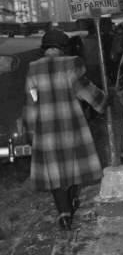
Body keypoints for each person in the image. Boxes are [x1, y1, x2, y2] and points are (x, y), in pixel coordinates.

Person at [24, 29, 107, 230]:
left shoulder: (33, 70)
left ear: (45, 48)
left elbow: (31, 103)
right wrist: (103, 101)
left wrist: (30, 132)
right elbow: (85, 91)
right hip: (71, 125)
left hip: (46, 129)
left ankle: (64, 213)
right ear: (63, 48)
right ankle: (71, 202)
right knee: (72, 166)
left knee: (55, 171)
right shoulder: (71, 64)